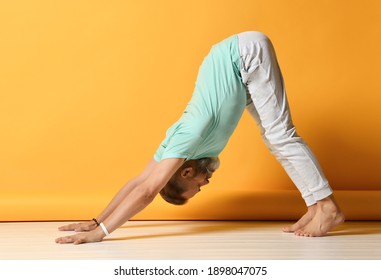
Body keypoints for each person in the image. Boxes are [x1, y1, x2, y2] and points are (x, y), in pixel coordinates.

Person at [55, 31, 344, 245]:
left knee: (281, 134)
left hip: (243, 55)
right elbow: (137, 182)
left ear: (187, 171)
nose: (205, 184)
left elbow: (146, 192)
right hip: (235, 66)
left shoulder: (187, 139)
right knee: (273, 138)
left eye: (197, 186)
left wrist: (100, 234)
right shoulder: (176, 142)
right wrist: (97, 219)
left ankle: (327, 207)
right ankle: (314, 206)